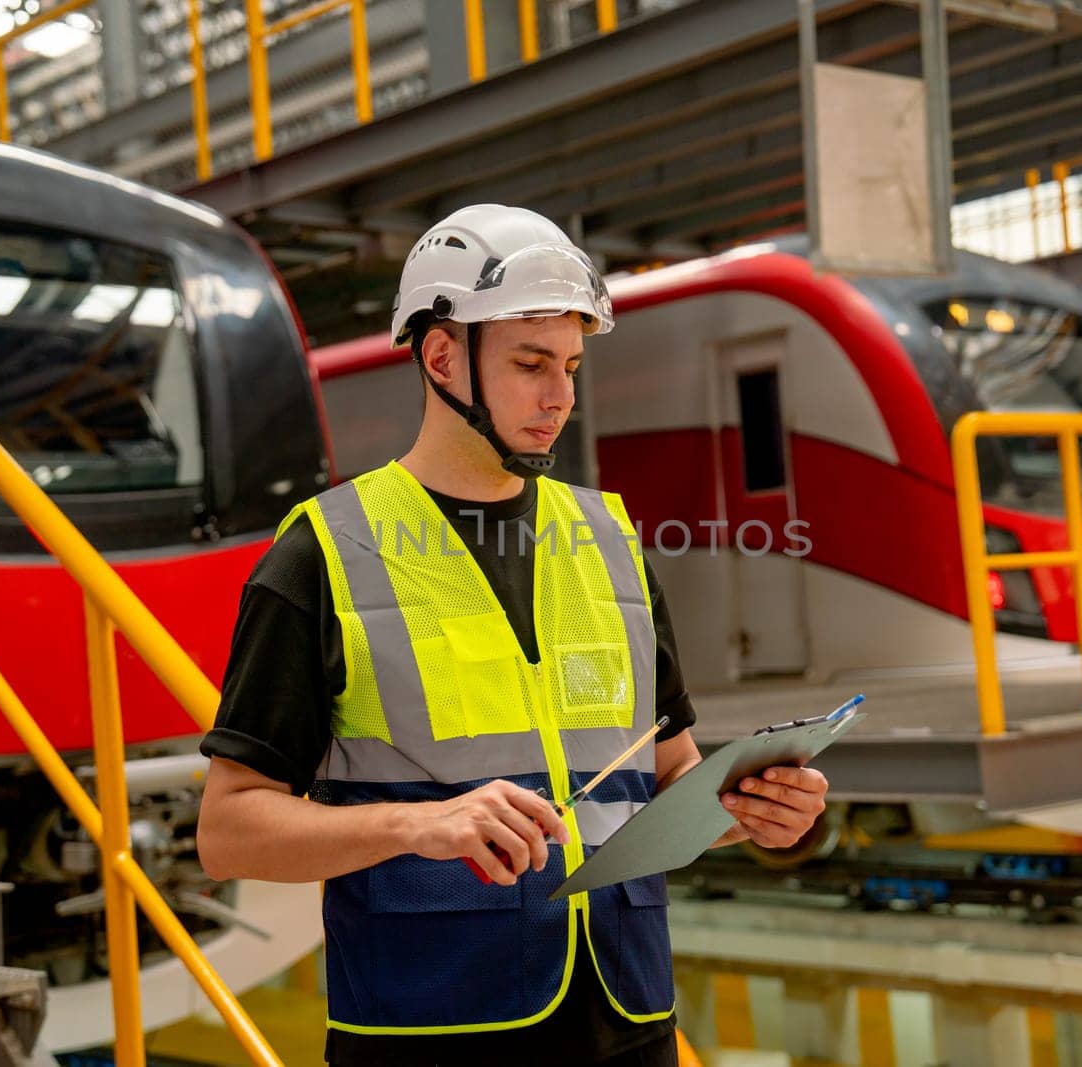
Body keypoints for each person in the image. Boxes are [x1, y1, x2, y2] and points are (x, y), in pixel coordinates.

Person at [196, 204, 830, 1067]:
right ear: (443, 356)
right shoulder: (323, 554)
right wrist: (416, 826)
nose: (561, 394)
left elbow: (671, 779)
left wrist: (751, 810)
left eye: (570, 363)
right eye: (531, 362)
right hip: (431, 1029)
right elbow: (228, 830)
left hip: (627, 1020)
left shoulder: (608, 542)